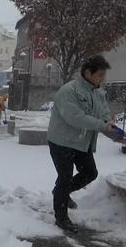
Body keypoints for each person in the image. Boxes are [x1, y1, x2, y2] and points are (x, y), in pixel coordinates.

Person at [47, 55, 120, 233]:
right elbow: (75, 118)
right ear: (88, 73)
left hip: (81, 142)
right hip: (61, 141)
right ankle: (61, 218)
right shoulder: (69, 91)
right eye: (100, 74)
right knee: (64, 178)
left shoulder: (97, 92)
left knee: (90, 173)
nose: (102, 78)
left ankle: (60, 193)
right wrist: (101, 125)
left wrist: (113, 131)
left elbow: (103, 114)